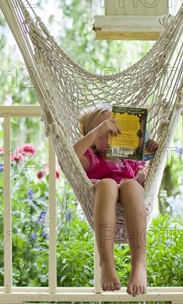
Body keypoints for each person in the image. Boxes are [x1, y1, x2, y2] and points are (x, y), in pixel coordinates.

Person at [73, 103, 158, 297]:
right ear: (92, 140)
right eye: (105, 130)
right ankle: (106, 263)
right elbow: (69, 158)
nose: (112, 132)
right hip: (105, 196)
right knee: (108, 184)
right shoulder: (91, 158)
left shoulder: (131, 158)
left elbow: (147, 174)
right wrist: (96, 132)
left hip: (130, 199)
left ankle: (139, 265)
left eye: (115, 127)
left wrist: (153, 153)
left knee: (130, 185)